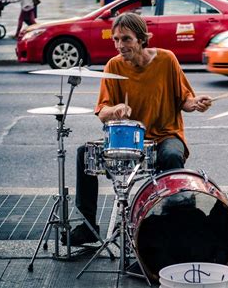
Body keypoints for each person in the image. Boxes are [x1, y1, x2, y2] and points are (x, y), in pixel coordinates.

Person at [63, 12, 212, 246]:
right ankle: (88, 227)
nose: (120, 45)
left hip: (165, 135)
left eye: (126, 39)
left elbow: (185, 100)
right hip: (128, 140)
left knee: (172, 155)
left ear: (142, 39)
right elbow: (102, 112)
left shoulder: (166, 60)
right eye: (116, 40)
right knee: (85, 154)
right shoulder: (113, 65)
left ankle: (179, 223)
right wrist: (115, 109)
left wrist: (196, 103)